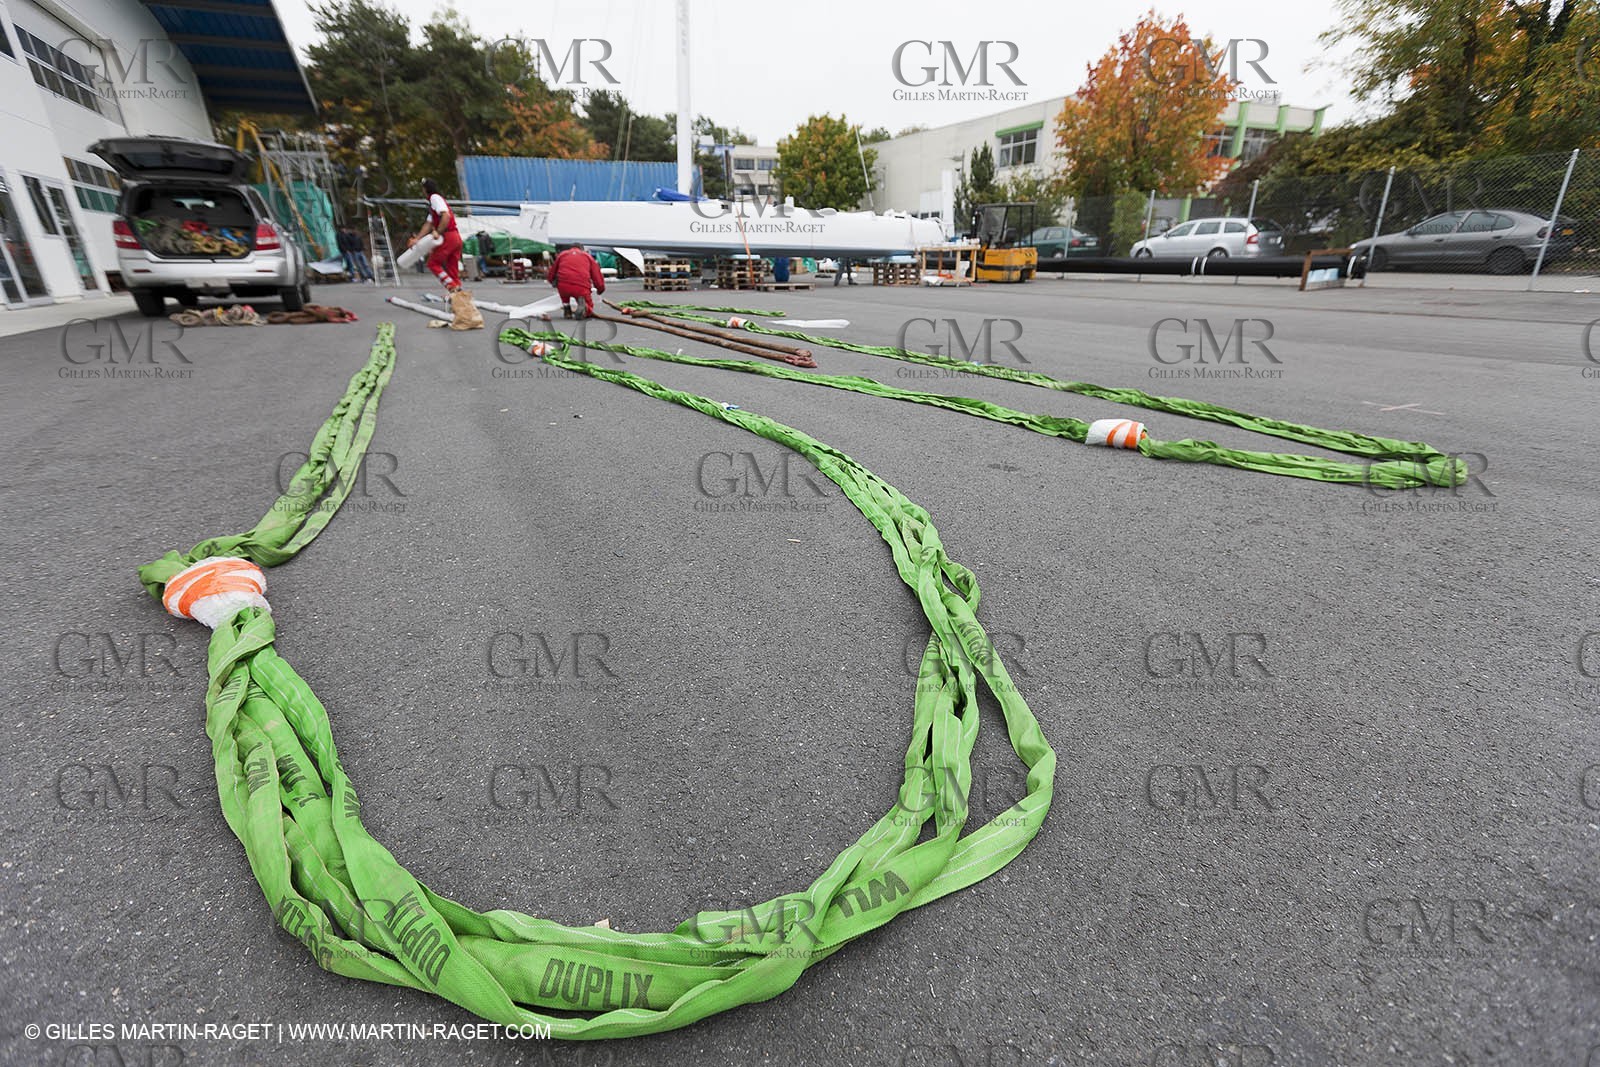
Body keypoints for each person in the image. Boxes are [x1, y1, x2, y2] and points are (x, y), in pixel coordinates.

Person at [409, 179, 482, 329]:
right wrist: (418, 239)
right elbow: (428, 224)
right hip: (455, 237)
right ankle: (462, 308)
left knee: (432, 263)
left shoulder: (434, 198)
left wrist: (438, 231)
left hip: (447, 236)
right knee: (453, 271)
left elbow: (445, 216)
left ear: (425, 189)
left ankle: (453, 288)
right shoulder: (434, 204)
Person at [547, 243, 606, 318]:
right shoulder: (587, 256)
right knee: (589, 305)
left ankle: (567, 309)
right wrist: (600, 289)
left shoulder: (562, 255)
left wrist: (551, 281)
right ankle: (585, 308)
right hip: (581, 286)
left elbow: (552, 271)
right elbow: (596, 274)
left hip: (563, 285)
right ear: (582, 249)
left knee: (564, 296)